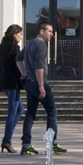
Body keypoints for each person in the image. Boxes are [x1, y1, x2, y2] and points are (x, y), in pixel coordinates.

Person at [20, 23, 64, 154]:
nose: (52, 34)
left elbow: (18, 58)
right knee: (52, 111)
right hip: (39, 82)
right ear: (41, 31)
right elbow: (40, 67)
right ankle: (51, 143)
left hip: (29, 82)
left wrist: (24, 72)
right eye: (50, 31)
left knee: (30, 114)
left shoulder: (29, 44)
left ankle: (26, 144)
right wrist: (41, 86)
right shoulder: (41, 45)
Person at [0, 25, 25, 153]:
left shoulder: (0, 47)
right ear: (14, 34)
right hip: (13, 83)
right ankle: (7, 141)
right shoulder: (15, 48)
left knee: (20, 110)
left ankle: (7, 138)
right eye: (20, 34)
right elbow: (18, 66)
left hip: (4, 81)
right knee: (12, 112)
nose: (21, 37)